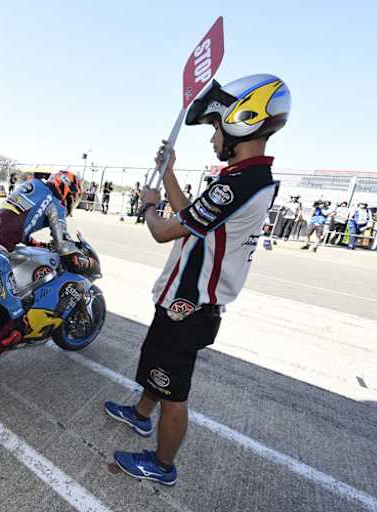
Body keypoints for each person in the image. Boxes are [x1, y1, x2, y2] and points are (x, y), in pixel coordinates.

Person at [105, 74, 291, 486]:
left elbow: (165, 230)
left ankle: (162, 465)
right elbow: (192, 216)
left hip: (189, 308)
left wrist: (149, 206)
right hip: (184, 303)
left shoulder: (240, 184)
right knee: (157, 368)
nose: (212, 140)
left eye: (214, 128)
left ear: (242, 120)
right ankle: (139, 416)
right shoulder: (244, 181)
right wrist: (168, 172)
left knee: (173, 393)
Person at [0, 171, 93, 405]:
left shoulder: (32, 186)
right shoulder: (55, 202)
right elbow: (63, 244)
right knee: (15, 321)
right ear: (69, 191)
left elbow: (15, 219)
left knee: (2, 302)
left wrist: (34, 243)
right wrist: (79, 257)